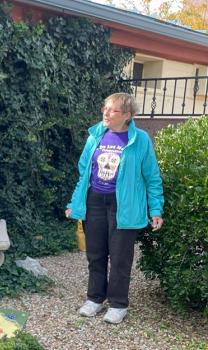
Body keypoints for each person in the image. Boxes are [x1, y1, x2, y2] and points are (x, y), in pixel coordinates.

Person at [65, 92, 164, 324]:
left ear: (127, 115)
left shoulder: (140, 139)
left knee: (120, 258)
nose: (106, 113)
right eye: (105, 108)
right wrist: (74, 203)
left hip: (125, 206)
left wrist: (156, 209)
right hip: (95, 202)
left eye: (112, 110)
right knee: (96, 254)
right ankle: (95, 299)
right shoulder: (95, 136)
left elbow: (152, 177)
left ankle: (119, 304)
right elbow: (84, 175)